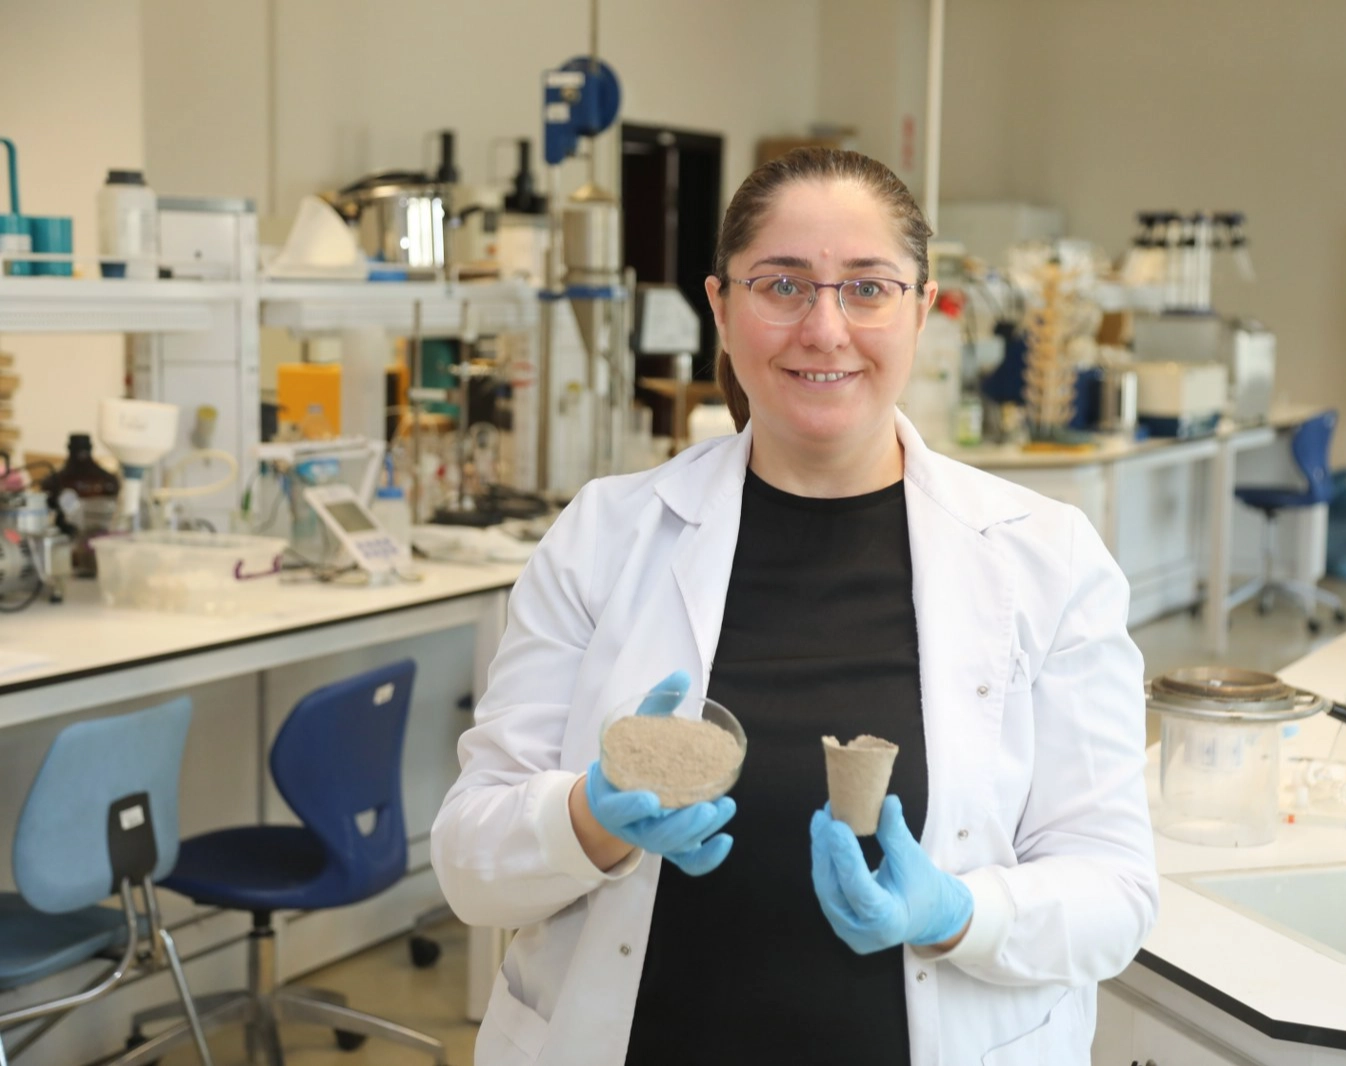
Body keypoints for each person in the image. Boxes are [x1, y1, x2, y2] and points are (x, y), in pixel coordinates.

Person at [432, 147, 1157, 1066]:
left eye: (868, 289)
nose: (824, 329)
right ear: (720, 308)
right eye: (782, 285)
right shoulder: (605, 537)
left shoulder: (1046, 559)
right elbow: (469, 863)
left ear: (922, 309)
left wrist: (960, 914)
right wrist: (587, 819)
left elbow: (1115, 892)